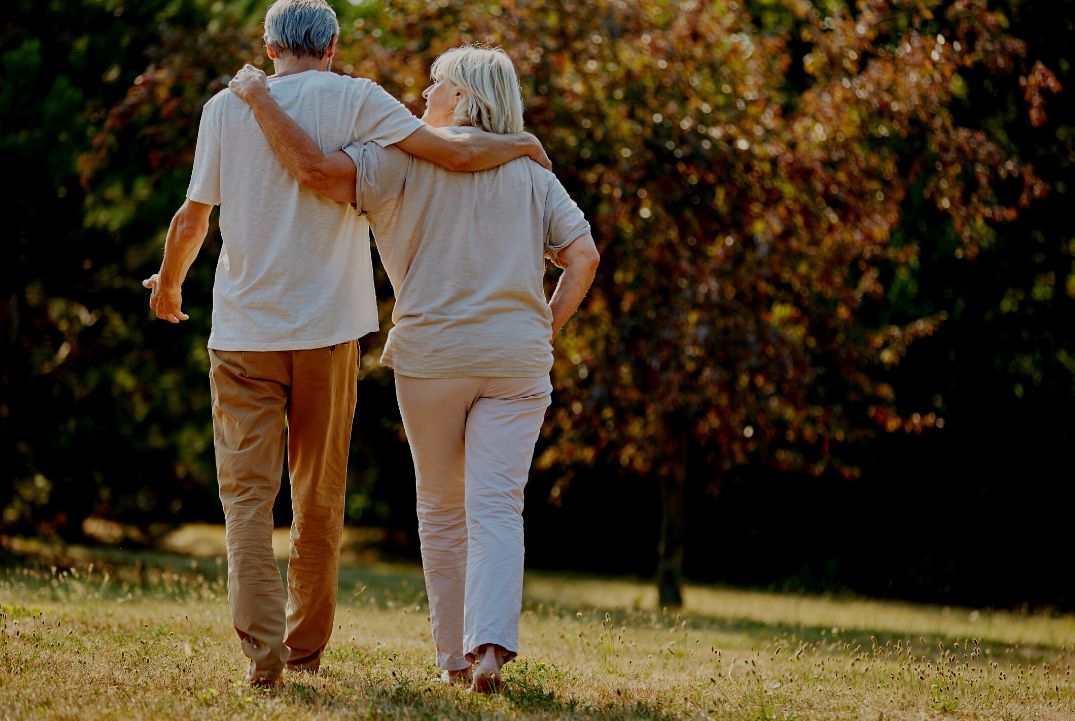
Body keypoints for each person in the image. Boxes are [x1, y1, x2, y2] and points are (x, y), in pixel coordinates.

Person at [143, 0, 550, 688]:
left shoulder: (224, 107)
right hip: (329, 333)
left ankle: (263, 659)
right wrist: (522, 145)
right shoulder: (361, 99)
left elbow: (193, 216)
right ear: (331, 44)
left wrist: (169, 284)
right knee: (319, 499)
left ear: (269, 45)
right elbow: (448, 148)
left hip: (244, 334)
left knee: (246, 501)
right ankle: (304, 650)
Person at [228, 45, 599, 692]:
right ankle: (488, 649)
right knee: (497, 506)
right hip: (515, 358)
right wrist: (545, 324)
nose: (421, 95)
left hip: (432, 356)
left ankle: (452, 660)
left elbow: (317, 175)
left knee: (441, 507)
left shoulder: (395, 158)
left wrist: (260, 102)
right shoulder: (531, 169)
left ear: (458, 96)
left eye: (433, 85)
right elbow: (583, 255)